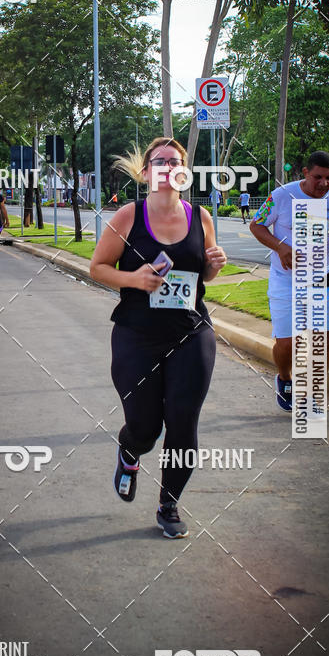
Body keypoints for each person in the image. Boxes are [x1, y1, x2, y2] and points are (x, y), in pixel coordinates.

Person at [90, 137, 227, 538]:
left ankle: (169, 504)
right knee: (146, 426)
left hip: (190, 332)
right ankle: (130, 451)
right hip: (137, 335)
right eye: (160, 161)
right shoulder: (128, 217)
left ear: (184, 171)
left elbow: (205, 276)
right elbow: (98, 267)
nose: (168, 166)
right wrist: (133, 279)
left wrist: (214, 264)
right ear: (146, 172)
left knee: (183, 423)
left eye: (176, 161)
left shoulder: (201, 218)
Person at [249, 150, 329, 412]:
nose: (324, 184)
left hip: (324, 282)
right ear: (306, 173)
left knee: (324, 339)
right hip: (287, 281)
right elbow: (257, 225)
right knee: (287, 342)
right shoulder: (281, 196)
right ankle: (285, 378)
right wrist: (280, 248)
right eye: (318, 177)